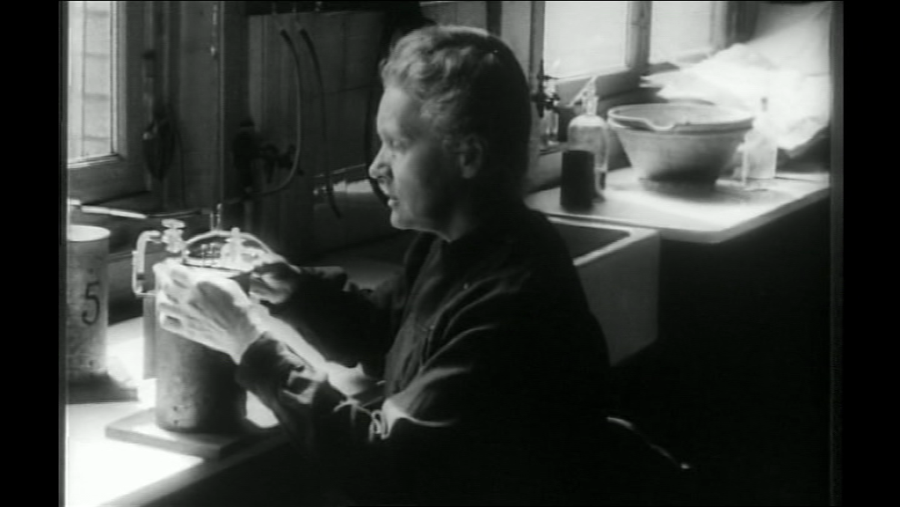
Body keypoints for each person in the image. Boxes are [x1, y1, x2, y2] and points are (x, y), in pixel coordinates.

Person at [155, 25, 684, 506]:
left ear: (468, 156)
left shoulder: (514, 303)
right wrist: (294, 290)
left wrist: (249, 343)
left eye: (397, 145)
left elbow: (385, 467)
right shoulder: (459, 244)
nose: (375, 167)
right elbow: (385, 333)